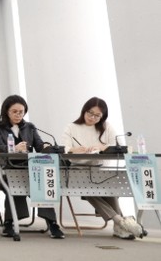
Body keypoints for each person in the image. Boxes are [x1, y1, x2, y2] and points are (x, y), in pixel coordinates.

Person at [61, 97, 145, 239]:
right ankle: (121, 221)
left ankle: (119, 227)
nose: (92, 118)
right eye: (90, 113)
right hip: (78, 169)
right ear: (84, 110)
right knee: (88, 189)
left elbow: (119, 145)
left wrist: (101, 147)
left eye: (97, 116)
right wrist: (74, 149)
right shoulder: (71, 127)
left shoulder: (106, 127)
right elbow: (64, 148)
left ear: (102, 116)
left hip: (99, 167)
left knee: (110, 188)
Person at [0, 94, 65, 239]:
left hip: (30, 169)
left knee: (42, 181)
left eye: (21, 112)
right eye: (14, 112)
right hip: (7, 169)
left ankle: (52, 223)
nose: (18, 115)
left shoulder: (29, 127)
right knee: (13, 182)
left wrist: (47, 146)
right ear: (6, 111)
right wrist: (14, 148)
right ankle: (9, 222)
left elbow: (39, 146)